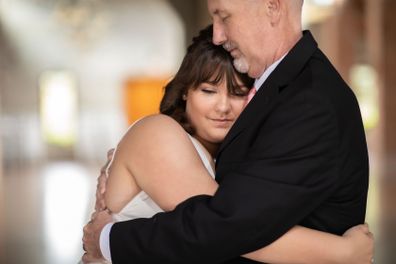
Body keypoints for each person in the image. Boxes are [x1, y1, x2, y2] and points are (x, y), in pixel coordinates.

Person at [83, 0, 373, 262]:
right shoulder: (160, 136)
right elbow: (227, 227)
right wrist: (341, 253)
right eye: (208, 90)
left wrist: (109, 239)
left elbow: (229, 226)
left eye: (224, 16)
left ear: (272, 7)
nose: (218, 34)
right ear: (185, 92)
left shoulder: (309, 101)